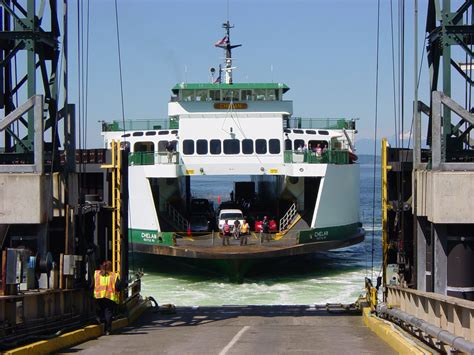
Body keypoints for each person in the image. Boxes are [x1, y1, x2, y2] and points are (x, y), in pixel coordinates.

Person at [94, 261, 121, 335]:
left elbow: (91, 284)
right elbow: (118, 287)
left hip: (98, 297)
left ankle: (100, 322)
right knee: (108, 313)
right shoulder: (114, 276)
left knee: (100, 311)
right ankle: (107, 330)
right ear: (110, 267)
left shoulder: (96, 274)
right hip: (109, 297)